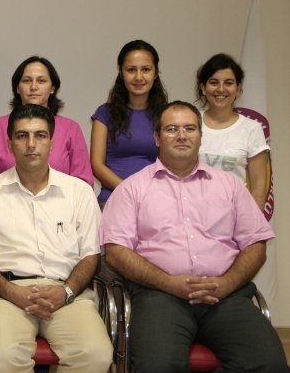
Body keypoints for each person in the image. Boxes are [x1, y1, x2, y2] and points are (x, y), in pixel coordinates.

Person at [100, 101, 289, 373]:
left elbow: (255, 244)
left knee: (270, 365)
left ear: (201, 136)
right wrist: (168, 283)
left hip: (225, 295)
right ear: (157, 138)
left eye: (189, 128)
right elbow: (116, 252)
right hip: (159, 296)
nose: (181, 135)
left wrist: (227, 283)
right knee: (157, 367)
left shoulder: (231, 186)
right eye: (171, 129)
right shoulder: (131, 189)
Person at [0, 105, 112, 373]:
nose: (31, 144)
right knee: (1, 358)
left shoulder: (79, 192)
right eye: (22, 136)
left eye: (40, 135)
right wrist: (13, 293)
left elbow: (91, 256)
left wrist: (66, 292)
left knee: (96, 354)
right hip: (7, 294)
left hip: (67, 293)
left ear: (51, 143)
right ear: (10, 144)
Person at [0, 56, 93, 187]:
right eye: (26, 81)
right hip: (5, 199)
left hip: (60, 199)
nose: (33, 87)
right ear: (17, 88)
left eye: (41, 81)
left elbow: (83, 182)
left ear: (53, 88)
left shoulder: (71, 128)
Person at [90, 40, 168, 206]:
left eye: (145, 69)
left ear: (155, 73)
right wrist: (129, 190)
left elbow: (173, 163)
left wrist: (148, 196)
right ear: (121, 73)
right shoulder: (105, 113)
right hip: (114, 198)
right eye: (131, 70)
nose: (138, 77)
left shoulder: (167, 116)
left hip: (156, 200)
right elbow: (97, 165)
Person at [196, 53, 269, 211]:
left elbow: (259, 189)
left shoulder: (252, 128)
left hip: (235, 215)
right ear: (203, 88)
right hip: (193, 214)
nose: (221, 89)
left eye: (228, 83)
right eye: (214, 82)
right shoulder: (190, 123)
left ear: (238, 89)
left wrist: (251, 223)